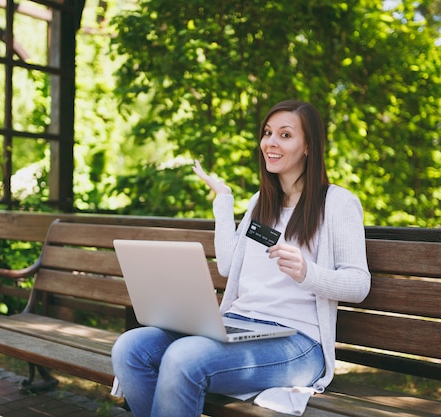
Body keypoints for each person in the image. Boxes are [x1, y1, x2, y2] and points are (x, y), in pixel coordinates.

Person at [111, 99, 371, 417]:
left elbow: (359, 284)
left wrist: (307, 272)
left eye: (285, 135)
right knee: (131, 348)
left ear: (308, 146)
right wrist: (224, 201)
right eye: (267, 133)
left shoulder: (337, 203)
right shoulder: (261, 202)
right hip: (240, 326)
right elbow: (228, 267)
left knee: (184, 356)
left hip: (299, 343)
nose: (270, 143)